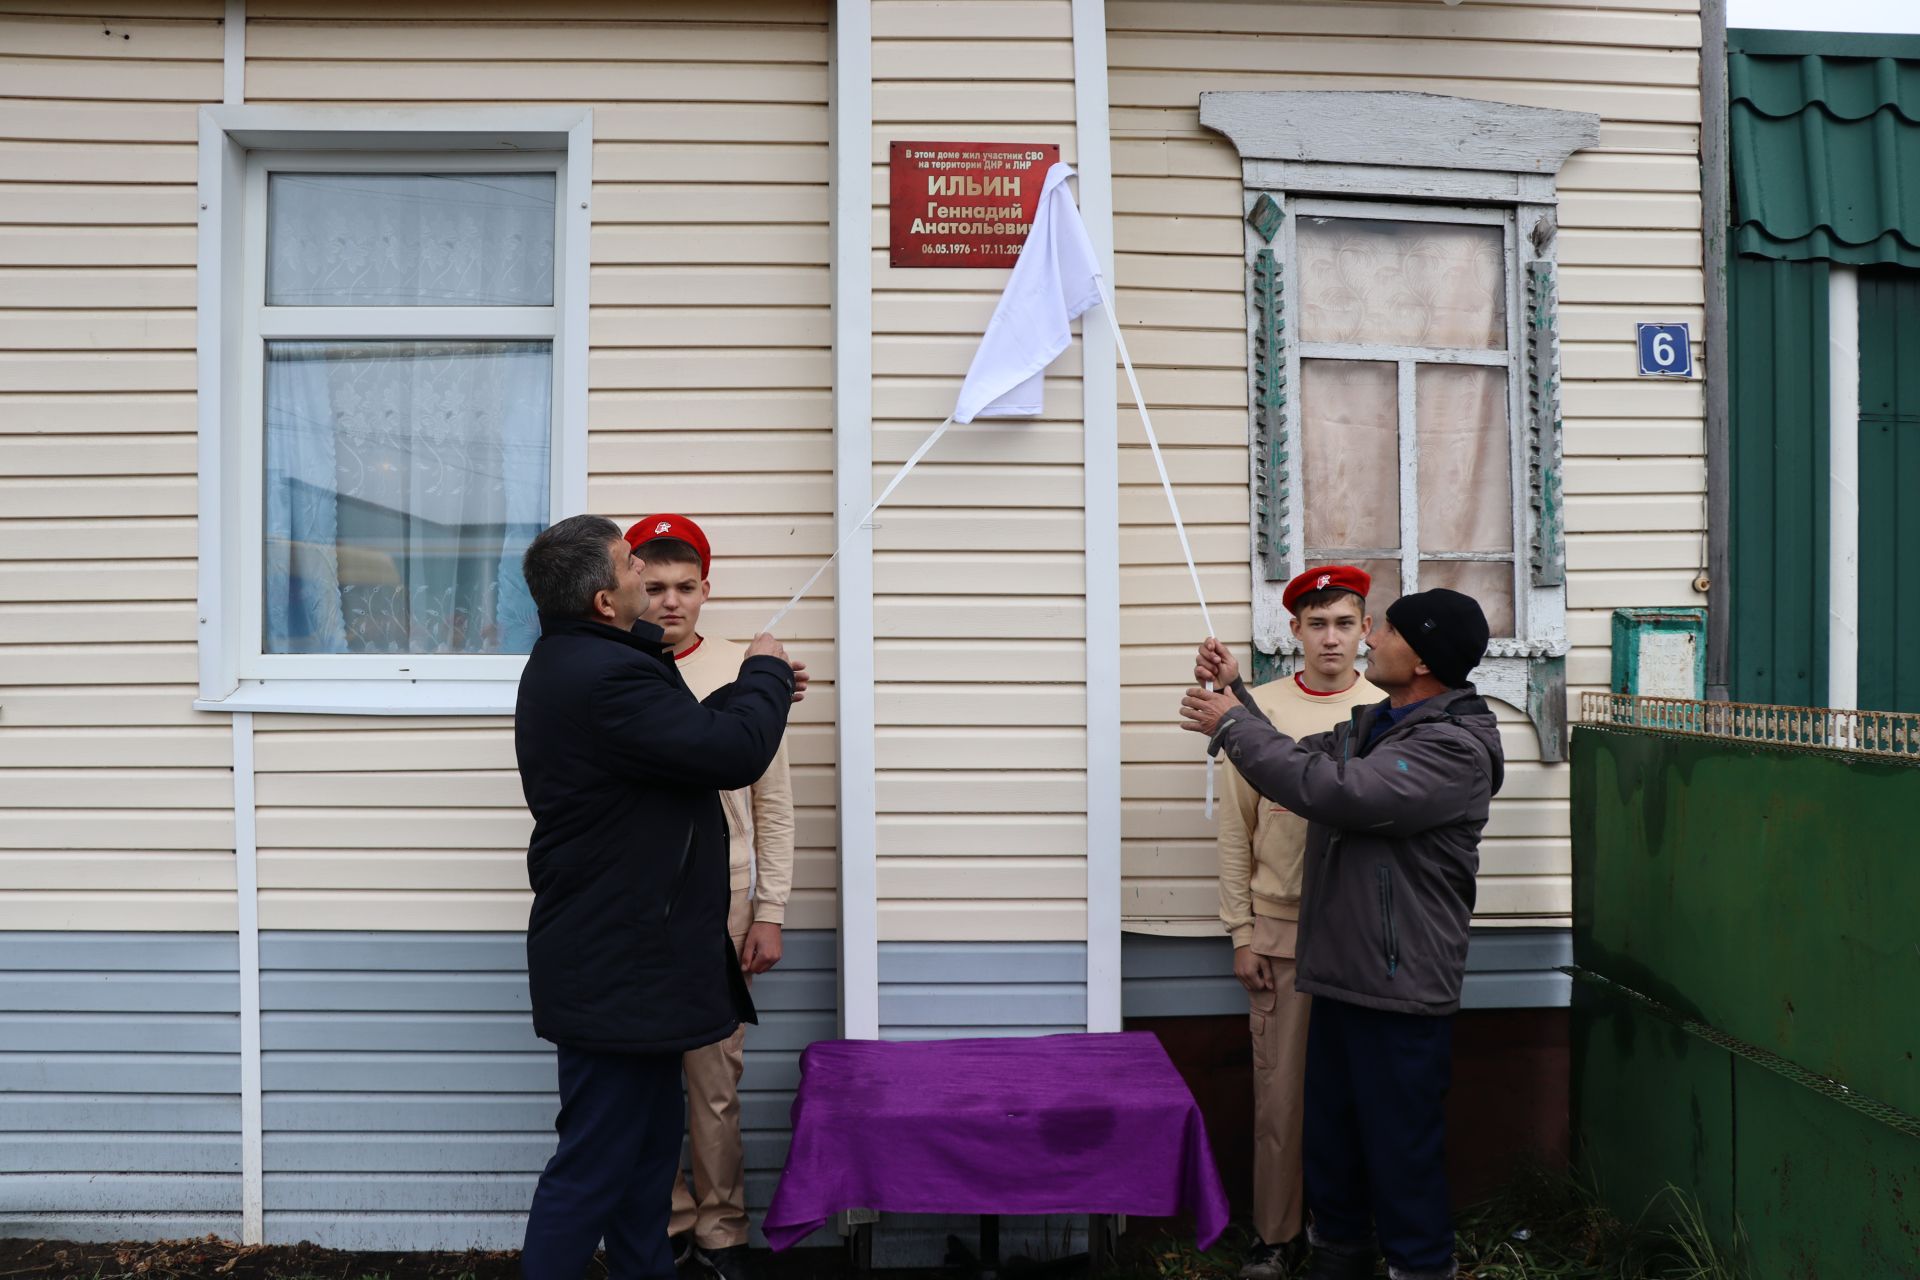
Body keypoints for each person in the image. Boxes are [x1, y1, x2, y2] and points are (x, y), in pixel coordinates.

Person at [515, 514, 807, 1280]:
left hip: (638, 956)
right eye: (631, 565)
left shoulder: (589, 659)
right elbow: (730, 752)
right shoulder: (606, 675)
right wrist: (768, 675)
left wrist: (758, 691)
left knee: (647, 1160)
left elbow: (677, 743)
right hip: (617, 962)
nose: (648, 577)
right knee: (591, 1169)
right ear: (607, 601)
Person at [1180, 589, 1503, 1280]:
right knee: (1334, 1141)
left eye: (1382, 629)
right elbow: (1297, 758)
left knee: (1400, 1149)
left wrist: (1230, 724)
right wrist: (1236, 692)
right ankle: (1341, 1256)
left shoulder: (1452, 747)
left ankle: (1419, 1266)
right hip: (1342, 972)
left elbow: (1338, 793)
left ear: (1418, 657)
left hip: (1399, 983)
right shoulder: (1378, 725)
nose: (1366, 639)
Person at [622, 514, 793, 1280]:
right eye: (653, 586)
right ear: (627, 586)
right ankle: (665, 1215)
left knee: (715, 1079)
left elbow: (773, 804)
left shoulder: (743, 669)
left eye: (684, 587)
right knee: (643, 1073)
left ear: (705, 590)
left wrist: (770, 910)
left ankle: (723, 1227)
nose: (668, 602)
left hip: (722, 905)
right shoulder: (614, 668)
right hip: (634, 904)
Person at [1206, 567, 1379, 1280]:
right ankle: (1276, 1236)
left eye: (1344, 622)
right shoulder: (1258, 711)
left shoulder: (1389, 710)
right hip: (1281, 932)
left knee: (1367, 1093)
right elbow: (1235, 833)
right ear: (1294, 633)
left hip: (1365, 935)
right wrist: (1241, 932)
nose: (1330, 637)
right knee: (1280, 1096)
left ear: (1367, 630)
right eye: (1317, 624)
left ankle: (1353, 1234)